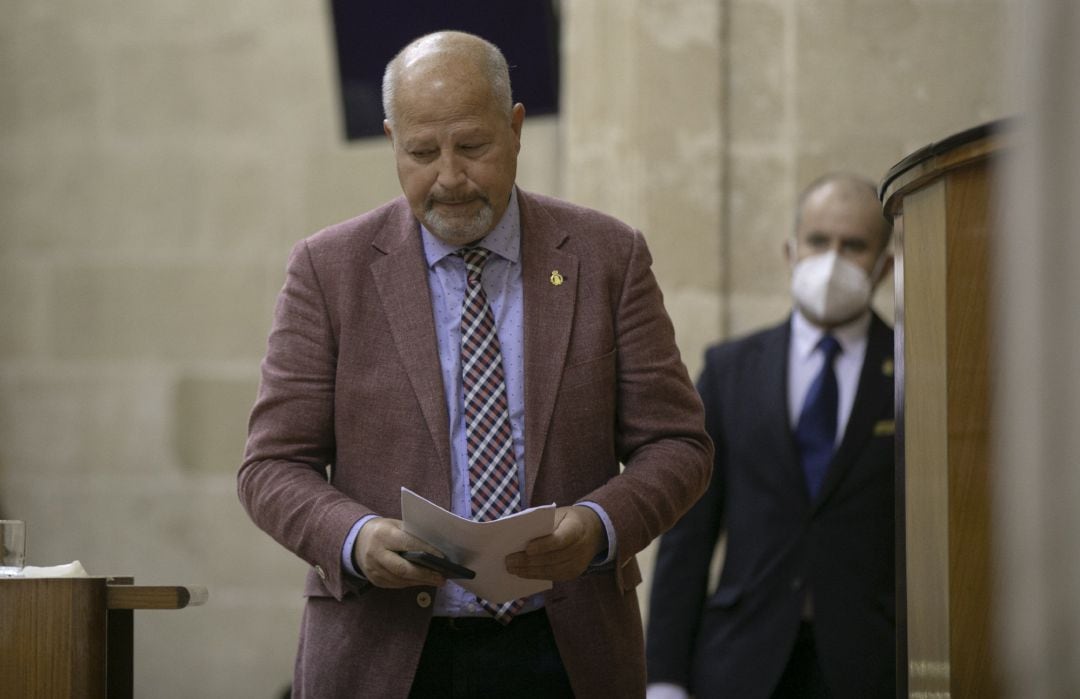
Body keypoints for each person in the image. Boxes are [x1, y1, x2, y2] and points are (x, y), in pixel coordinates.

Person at [238, 30, 712, 698]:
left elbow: (678, 444)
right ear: (391, 142)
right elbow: (270, 465)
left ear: (515, 129)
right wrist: (355, 536)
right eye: (422, 153)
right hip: (386, 654)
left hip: (567, 651)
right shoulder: (328, 270)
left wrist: (599, 526)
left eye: (473, 146)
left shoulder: (608, 257)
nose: (450, 177)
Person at [645, 173, 896, 698]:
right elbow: (688, 537)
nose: (832, 260)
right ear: (791, 251)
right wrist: (664, 678)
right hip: (740, 661)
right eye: (818, 241)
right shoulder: (732, 369)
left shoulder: (916, 372)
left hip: (870, 664)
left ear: (885, 265)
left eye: (854, 246)